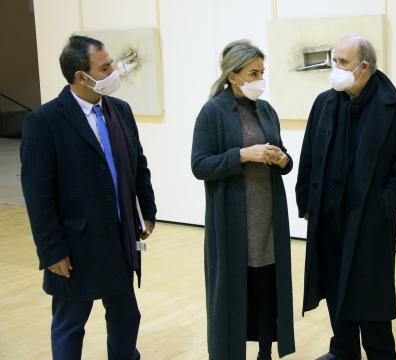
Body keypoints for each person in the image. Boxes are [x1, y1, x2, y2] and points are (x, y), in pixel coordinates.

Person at [20, 35, 157, 359]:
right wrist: (51, 250)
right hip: (75, 244)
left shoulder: (119, 111)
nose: (114, 71)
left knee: (126, 318)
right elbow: (37, 194)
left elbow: (138, 165)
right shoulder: (44, 121)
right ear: (81, 76)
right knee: (70, 324)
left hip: (119, 239)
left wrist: (146, 212)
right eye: (105, 66)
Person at [296, 34, 396, 360]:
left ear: (364, 67)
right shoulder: (325, 102)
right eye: (333, 60)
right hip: (329, 219)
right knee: (335, 291)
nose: (334, 68)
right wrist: (307, 203)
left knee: (371, 303)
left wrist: (383, 207)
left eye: (341, 62)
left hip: (368, 223)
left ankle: (381, 354)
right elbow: (309, 154)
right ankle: (342, 351)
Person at [191, 39, 295, 360]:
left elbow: (284, 157)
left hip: (267, 216)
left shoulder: (266, 110)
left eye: (262, 72)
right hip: (234, 219)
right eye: (253, 72)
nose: (260, 79)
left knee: (266, 290)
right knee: (234, 292)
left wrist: (282, 159)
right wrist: (241, 155)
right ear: (233, 74)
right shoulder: (212, 112)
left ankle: (266, 352)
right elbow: (200, 165)